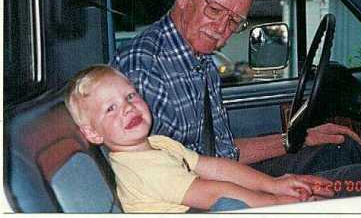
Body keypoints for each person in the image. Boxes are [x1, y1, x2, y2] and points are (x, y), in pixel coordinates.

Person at [110, 0, 361, 184]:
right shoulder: (145, 68)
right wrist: (270, 191)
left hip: (216, 180)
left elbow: (222, 153)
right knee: (358, 180)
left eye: (234, 21)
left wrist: (299, 139)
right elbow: (164, 186)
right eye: (215, 10)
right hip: (200, 199)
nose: (221, 28)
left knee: (341, 150)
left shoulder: (199, 58)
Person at [64, 64, 337, 213]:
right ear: (93, 133)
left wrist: (274, 185)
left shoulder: (158, 144)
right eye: (110, 109)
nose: (127, 108)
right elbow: (213, 191)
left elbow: (217, 167)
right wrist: (277, 203)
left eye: (130, 96)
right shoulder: (142, 168)